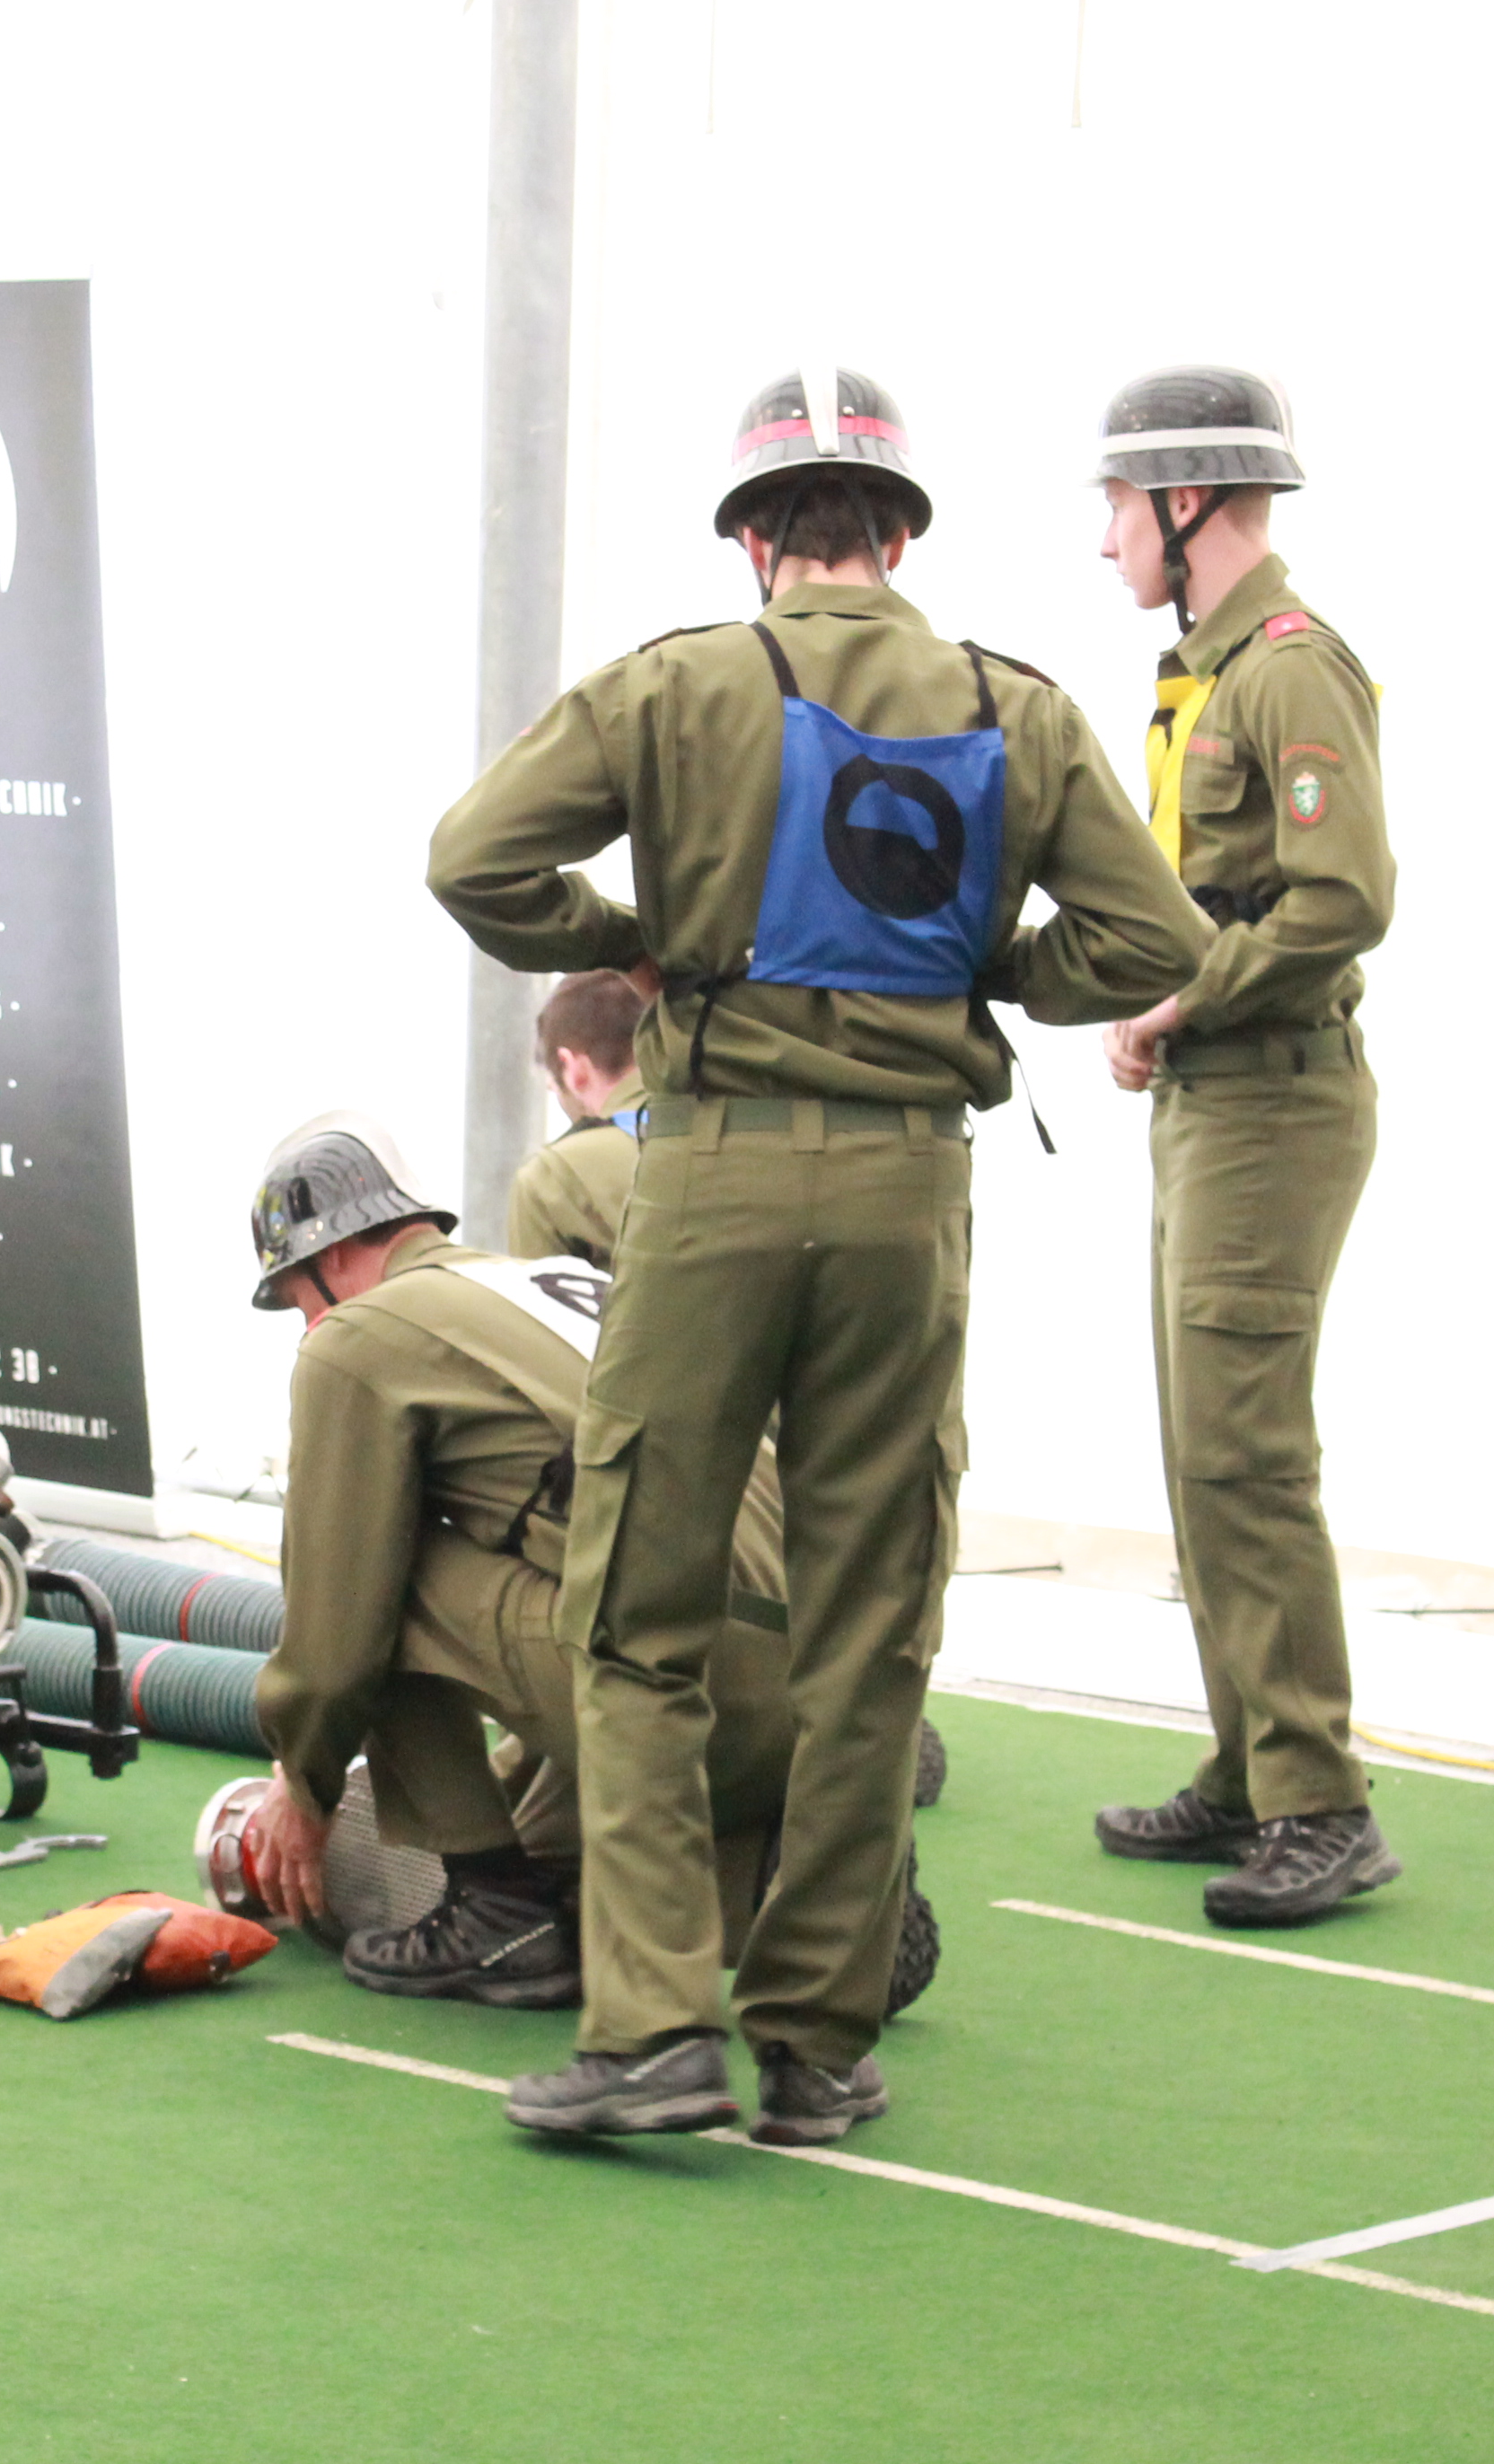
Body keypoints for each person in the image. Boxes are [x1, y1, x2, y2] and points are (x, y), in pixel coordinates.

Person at [428, 367, 1204, 2143]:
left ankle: (651, 2026)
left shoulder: (676, 684)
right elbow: (1153, 935)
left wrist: (634, 938)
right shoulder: (1016, 705)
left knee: (641, 1618)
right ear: (899, 538)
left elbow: (474, 859)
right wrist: (988, 971)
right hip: (911, 1196)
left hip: (711, 1179)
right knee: (870, 1628)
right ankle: (819, 2043)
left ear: (755, 540)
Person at [1080, 366, 1402, 1928]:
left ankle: (1319, 1802)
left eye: (1116, 506)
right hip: (1216, 1099)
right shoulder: (1207, 672)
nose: (1105, 539)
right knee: (1200, 1448)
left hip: (1272, 1100)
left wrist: (1184, 997)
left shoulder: (1287, 670)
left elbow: (1346, 899)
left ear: (1184, 500)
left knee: (1246, 1455)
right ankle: (1251, 1763)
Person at [238, 1112, 796, 2009]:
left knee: (382, 1561)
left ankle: (494, 1908)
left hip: (687, 1700)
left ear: (330, 1257)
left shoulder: (358, 1336)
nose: (306, 1327)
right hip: (805, 1694)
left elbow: (337, 1617)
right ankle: (785, 1883)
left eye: (298, 1302)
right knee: (557, 1863)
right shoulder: (549, 1282)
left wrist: (303, 1783)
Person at [505, 971, 648, 1265]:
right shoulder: (735, 1121)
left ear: (573, 1068)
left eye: (552, 1077)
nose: (552, 1088)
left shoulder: (551, 1178)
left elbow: (539, 1294)